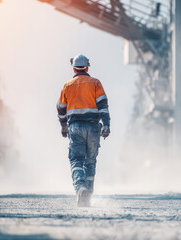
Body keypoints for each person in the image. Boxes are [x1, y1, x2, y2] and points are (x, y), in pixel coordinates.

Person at [57, 54, 110, 207]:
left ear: (73, 68)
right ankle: (88, 195)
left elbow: (61, 109)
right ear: (87, 67)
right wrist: (106, 125)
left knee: (76, 160)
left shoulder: (67, 85)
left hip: (75, 128)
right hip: (93, 127)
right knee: (91, 162)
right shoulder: (95, 83)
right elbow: (103, 106)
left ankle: (81, 188)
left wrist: (64, 126)